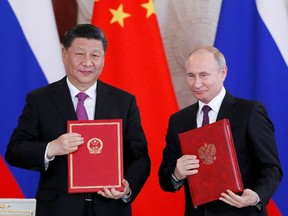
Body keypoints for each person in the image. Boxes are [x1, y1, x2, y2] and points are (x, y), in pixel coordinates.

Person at [5, 24, 151, 216]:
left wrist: (126, 187)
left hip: (110, 209)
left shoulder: (124, 102)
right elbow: (14, 150)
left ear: (104, 59)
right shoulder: (40, 100)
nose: (87, 62)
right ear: (65, 54)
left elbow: (140, 157)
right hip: (58, 209)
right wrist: (51, 148)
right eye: (80, 54)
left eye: (95, 56)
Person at [158, 46, 282, 216]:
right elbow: (165, 180)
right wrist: (176, 174)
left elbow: (271, 168)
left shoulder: (249, 112)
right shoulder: (179, 121)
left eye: (204, 75)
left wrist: (256, 196)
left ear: (222, 73)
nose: (197, 84)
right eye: (191, 76)